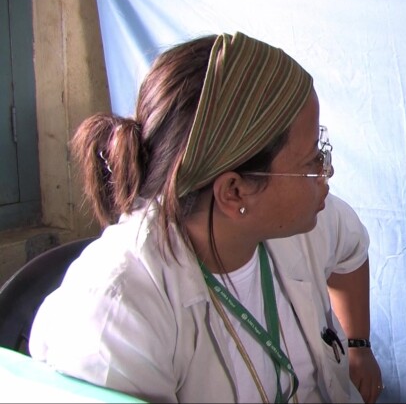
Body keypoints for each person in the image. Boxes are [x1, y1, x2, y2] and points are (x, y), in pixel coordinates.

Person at [29, 32, 383, 403]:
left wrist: (358, 346)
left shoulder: (303, 221)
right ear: (234, 192)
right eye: (311, 160)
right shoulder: (114, 316)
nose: (325, 172)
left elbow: (351, 251)